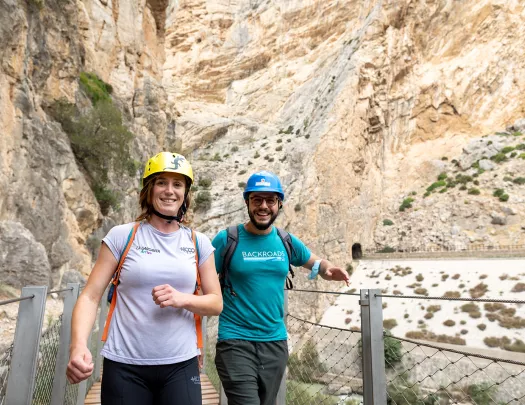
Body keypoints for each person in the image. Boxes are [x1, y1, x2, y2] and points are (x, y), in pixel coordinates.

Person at [66, 152, 222, 405]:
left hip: (181, 365)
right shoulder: (122, 236)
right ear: (149, 190)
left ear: (185, 193)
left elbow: (216, 302)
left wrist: (181, 299)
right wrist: (78, 346)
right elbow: (90, 295)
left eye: (177, 184)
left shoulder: (198, 242)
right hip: (125, 365)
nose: (169, 191)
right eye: (161, 182)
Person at [211, 170, 350, 405]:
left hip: (274, 342)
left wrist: (328, 269)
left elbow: (314, 261)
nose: (263, 206)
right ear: (247, 202)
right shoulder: (227, 240)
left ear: (279, 204)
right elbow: (199, 280)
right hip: (235, 341)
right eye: (257, 200)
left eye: (270, 200)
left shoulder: (285, 241)